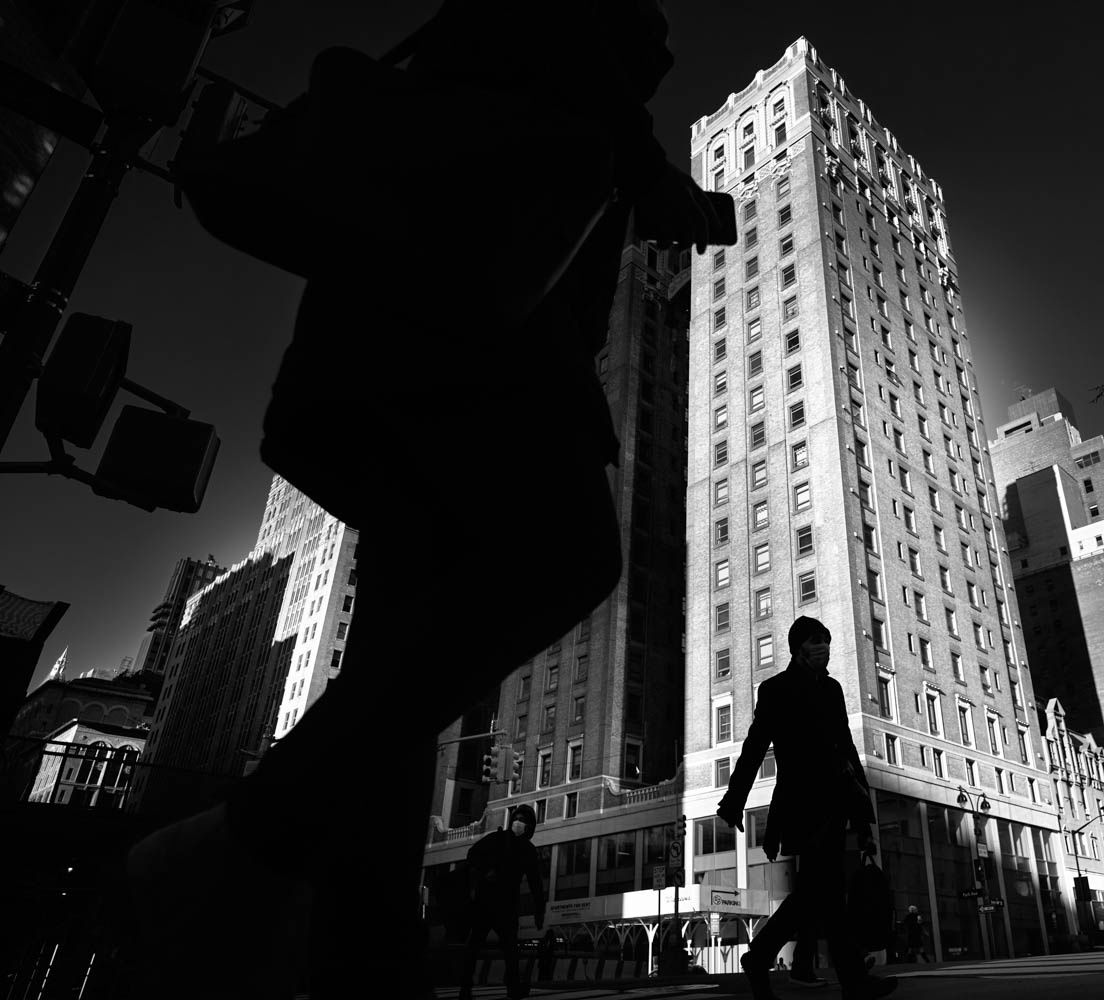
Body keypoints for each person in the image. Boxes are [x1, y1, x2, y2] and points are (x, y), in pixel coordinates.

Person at [124, 4, 725, 998]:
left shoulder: (544, 98)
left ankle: (361, 958)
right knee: (567, 551)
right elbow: (556, 50)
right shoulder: (551, 79)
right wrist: (645, 163)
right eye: (644, 30)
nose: (658, 44)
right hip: (455, 351)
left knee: (398, 669)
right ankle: (248, 837)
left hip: (417, 359)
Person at [717, 617, 897, 1000]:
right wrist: (734, 801)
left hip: (835, 805)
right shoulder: (775, 690)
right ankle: (849, 980)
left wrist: (863, 817)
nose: (824, 648)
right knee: (823, 892)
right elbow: (754, 747)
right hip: (801, 807)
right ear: (798, 646)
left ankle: (762, 957)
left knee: (820, 893)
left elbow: (847, 751)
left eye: (826, 641)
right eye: (817, 641)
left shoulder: (832, 689)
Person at [459, 805, 545, 1000]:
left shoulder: (526, 850)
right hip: (491, 902)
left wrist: (539, 910)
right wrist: (486, 870)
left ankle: (473, 987)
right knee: (492, 946)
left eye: (523, 820)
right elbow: (472, 854)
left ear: (530, 826)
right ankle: (471, 987)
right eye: (517, 818)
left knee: (503, 948)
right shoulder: (500, 840)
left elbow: (536, 884)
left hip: (501, 904)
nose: (518, 823)